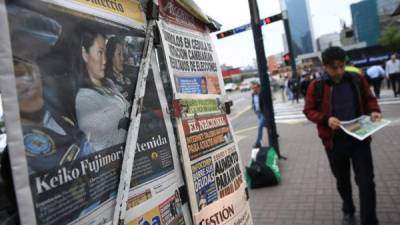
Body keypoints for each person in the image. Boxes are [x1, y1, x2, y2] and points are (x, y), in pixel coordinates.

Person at [303, 47, 381, 225]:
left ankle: (369, 220)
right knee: (342, 180)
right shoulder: (317, 86)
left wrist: (374, 111)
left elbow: (369, 98)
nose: (339, 71)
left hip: (359, 138)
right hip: (334, 142)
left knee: (366, 181)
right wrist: (325, 119)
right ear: (325, 66)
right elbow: (308, 110)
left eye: (341, 66)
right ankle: (348, 209)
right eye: (334, 67)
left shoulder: (356, 78)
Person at [75, 28, 130, 152]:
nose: (105, 61)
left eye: (105, 53)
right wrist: (127, 124)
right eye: (100, 53)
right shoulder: (84, 99)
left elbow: (129, 106)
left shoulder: (109, 83)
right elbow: (106, 146)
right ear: (85, 54)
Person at [105, 36, 135, 104]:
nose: (122, 58)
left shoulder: (125, 76)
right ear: (111, 56)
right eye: (119, 54)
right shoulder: (109, 83)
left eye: (123, 54)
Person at [251, 82, 266, 148]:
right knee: (265, 125)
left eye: (256, 87)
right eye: (253, 88)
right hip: (258, 113)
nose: (254, 89)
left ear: (259, 88)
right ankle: (275, 134)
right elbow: (254, 102)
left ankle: (258, 143)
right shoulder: (253, 94)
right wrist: (254, 109)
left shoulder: (262, 94)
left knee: (260, 127)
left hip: (263, 113)